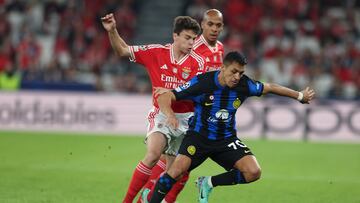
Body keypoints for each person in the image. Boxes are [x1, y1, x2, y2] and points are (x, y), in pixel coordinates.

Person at [148, 51, 315, 203]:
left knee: (253, 172)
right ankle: (151, 199)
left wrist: (299, 96)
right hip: (198, 138)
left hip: (225, 140)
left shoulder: (244, 85)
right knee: (176, 172)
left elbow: (270, 87)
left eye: (241, 73)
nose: (237, 77)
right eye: (233, 72)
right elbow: (167, 95)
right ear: (222, 68)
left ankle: (208, 183)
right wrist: (170, 115)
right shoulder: (203, 82)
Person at [101, 13, 206, 203]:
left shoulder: (198, 63)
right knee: (153, 154)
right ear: (175, 36)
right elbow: (123, 50)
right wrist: (113, 30)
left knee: (175, 173)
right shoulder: (156, 52)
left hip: (186, 119)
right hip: (161, 115)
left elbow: (200, 93)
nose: (191, 43)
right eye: (187, 38)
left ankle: (146, 200)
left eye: (194, 39)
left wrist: (172, 91)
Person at [139, 8, 225, 203]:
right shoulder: (194, 48)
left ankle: (154, 194)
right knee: (178, 163)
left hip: (201, 111)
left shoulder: (219, 47)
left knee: (182, 165)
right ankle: (151, 193)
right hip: (185, 111)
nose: (214, 29)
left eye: (218, 25)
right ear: (202, 25)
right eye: (210, 24)